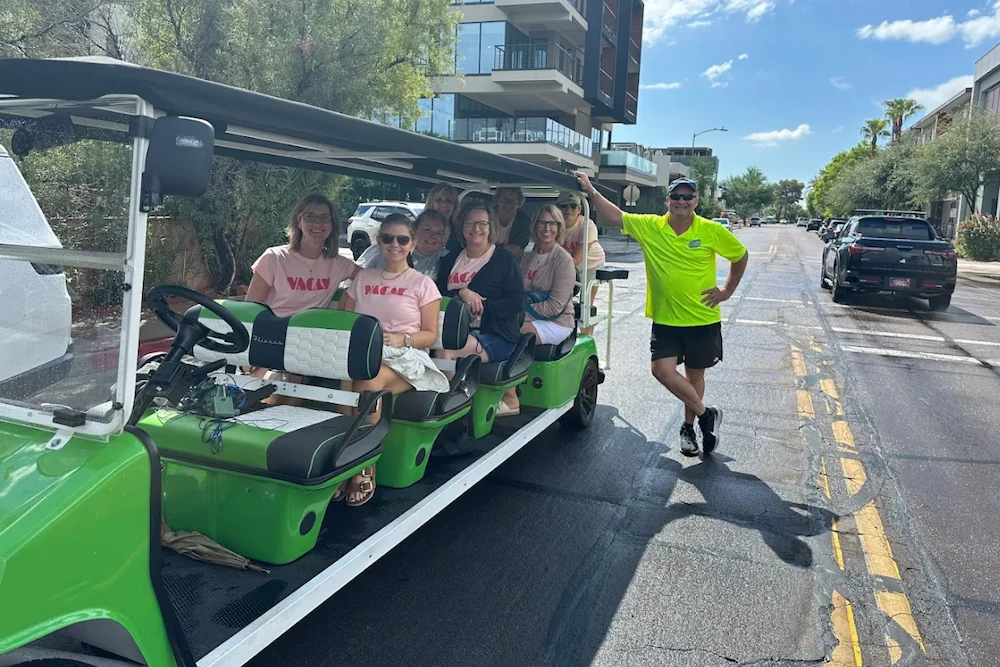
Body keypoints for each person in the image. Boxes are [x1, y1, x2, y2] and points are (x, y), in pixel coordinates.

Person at [573, 172, 749, 457]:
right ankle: (707, 415)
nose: (681, 201)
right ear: (668, 200)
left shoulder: (711, 230)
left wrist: (727, 290)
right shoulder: (651, 226)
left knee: (695, 376)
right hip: (666, 319)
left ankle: (689, 427)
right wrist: (591, 190)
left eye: (687, 197)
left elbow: (740, 256)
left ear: (696, 201)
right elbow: (615, 216)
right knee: (662, 371)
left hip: (702, 318)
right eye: (676, 197)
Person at [341, 216, 450, 506]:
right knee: (344, 382)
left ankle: (364, 465)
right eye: (388, 238)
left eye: (402, 239)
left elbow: (429, 335)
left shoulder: (423, 284)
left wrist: (404, 339)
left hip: (404, 357)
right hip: (364, 352)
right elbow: (345, 321)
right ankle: (343, 460)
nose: (395, 245)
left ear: (412, 244)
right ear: (380, 241)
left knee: (368, 382)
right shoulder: (363, 278)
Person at [244, 193, 360, 402]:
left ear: (332, 224)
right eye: (310, 216)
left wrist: (348, 299)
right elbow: (251, 309)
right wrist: (246, 351)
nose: (318, 223)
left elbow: (370, 280)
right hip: (271, 337)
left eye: (324, 217)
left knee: (290, 382)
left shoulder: (338, 264)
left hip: (308, 343)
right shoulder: (274, 258)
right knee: (271, 386)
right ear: (298, 220)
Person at [435, 202, 525, 416]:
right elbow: (437, 296)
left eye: (482, 223)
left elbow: (516, 303)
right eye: (470, 223)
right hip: (454, 329)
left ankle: (450, 412)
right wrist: (462, 293)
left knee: (445, 351)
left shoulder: (503, 260)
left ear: (490, 228)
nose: (476, 228)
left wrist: (483, 307)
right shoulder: (450, 260)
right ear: (462, 227)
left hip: (495, 333)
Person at [498, 204, 576, 416]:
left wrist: (518, 315)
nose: (546, 228)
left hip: (556, 322)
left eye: (552, 223)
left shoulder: (563, 260)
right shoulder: (528, 257)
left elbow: (555, 306)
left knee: (508, 332)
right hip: (529, 316)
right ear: (535, 226)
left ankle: (510, 397)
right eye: (542, 223)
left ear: (559, 228)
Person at [557, 190, 606, 336]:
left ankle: (586, 337)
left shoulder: (587, 225)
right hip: (566, 266)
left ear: (580, 209)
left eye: (573, 206)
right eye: (564, 206)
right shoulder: (553, 225)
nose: (569, 210)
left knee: (585, 306)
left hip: (590, 265)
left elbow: (576, 259)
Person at [355, 210, 449, 280]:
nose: (432, 236)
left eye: (439, 233)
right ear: (415, 231)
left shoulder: (450, 259)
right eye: (427, 230)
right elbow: (355, 279)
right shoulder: (386, 249)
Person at [493, 186, 532, 259]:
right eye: (504, 199)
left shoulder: (525, 222)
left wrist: (496, 248)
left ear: (519, 203)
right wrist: (504, 247)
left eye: (512, 200)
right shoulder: (486, 216)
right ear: (497, 200)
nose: (508, 203)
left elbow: (516, 250)